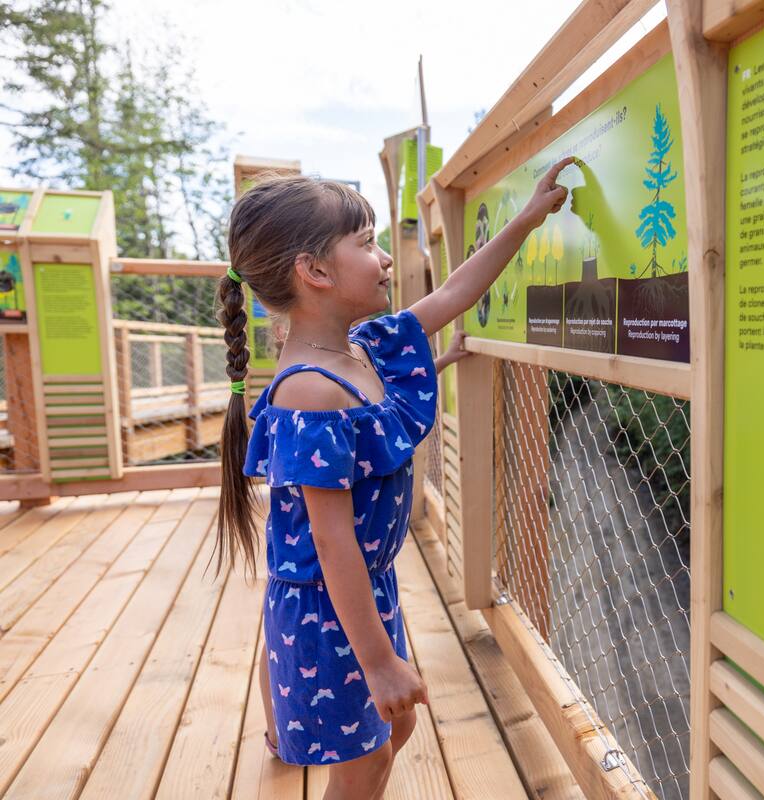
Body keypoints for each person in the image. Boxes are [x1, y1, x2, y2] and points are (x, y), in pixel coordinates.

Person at [213, 157, 572, 800]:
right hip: (326, 606)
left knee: (391, 732)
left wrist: (525, 220)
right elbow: (332, 544)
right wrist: (378, 663)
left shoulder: (363, 348)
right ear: (315, 271)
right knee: (367, 761)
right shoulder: (310, 390)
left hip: (364, 589)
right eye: (366, 242)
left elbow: (454, 294)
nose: (383, 259)